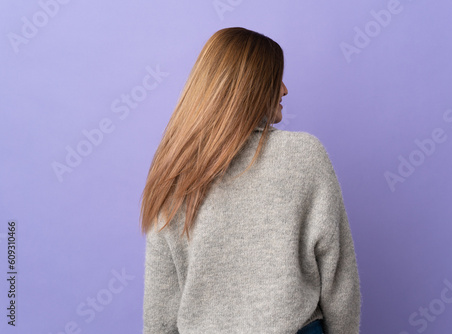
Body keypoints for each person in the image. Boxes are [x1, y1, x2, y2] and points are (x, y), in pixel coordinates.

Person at [140, 27, 361, 334]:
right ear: (249, 86)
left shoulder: (172, 174)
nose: (284, 90)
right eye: (275, 78)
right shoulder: (304, 155)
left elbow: (160, 313)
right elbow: (339, 279)